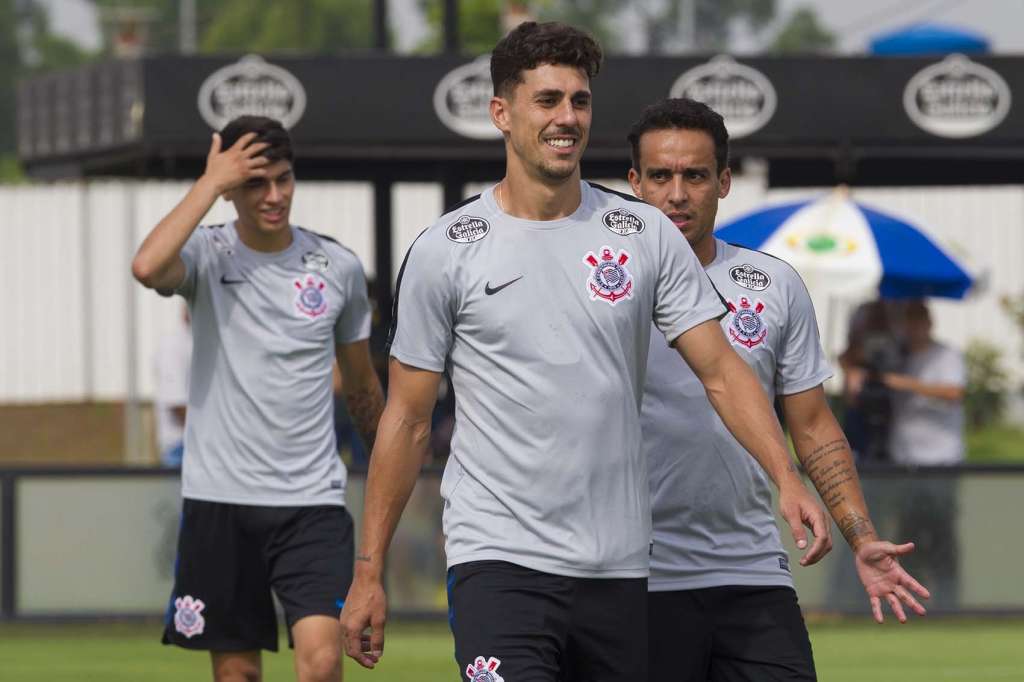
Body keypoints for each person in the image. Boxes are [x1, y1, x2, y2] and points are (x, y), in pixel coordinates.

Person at [340, 23, 831, 682]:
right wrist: (370, 570)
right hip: (498, 558)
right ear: (502, 114)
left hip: (619, 568)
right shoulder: (446, 249)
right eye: (547, 101)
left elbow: (720, 370)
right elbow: (406, 418)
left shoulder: (643, 234)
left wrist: (786, 475)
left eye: (579, 101)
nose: (567, 117)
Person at [627, 98, 930, 681]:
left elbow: (813, 423)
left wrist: (860, 535)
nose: (677, 193)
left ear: (724, 182)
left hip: (752, 573)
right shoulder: (606, 285)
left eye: (695, 175)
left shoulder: (773, 285)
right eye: (660, 176)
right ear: (635, 183)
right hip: (636, 577)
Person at [131, 115, 385, 682]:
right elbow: (147, 266)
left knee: (321, 665)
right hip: (219, 498)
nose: (274, 197)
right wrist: (209, 183)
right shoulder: (206, 254)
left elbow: (362, 384)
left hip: (311, 502)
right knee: (237, 675)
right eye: (255, 184)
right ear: (229, 188)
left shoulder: (336, 267)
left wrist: (390, 459)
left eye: (284, 180)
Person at [885, 299, 965, 609]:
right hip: (905, 461)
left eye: (919, 322)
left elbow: (953, 393)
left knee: (942, 533)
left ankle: (951, 602)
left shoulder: (946, 356)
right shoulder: (898, 358)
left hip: (940, 461)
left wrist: (905, 384)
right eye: (908, 322)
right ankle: (911, 598)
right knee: (908, 536)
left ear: (929, 324)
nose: (913, 329)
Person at [154, 304, 192, 468]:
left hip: (198, 446)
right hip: (181, 447)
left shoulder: (200, 340)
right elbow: (176, 403)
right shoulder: (174, 344)